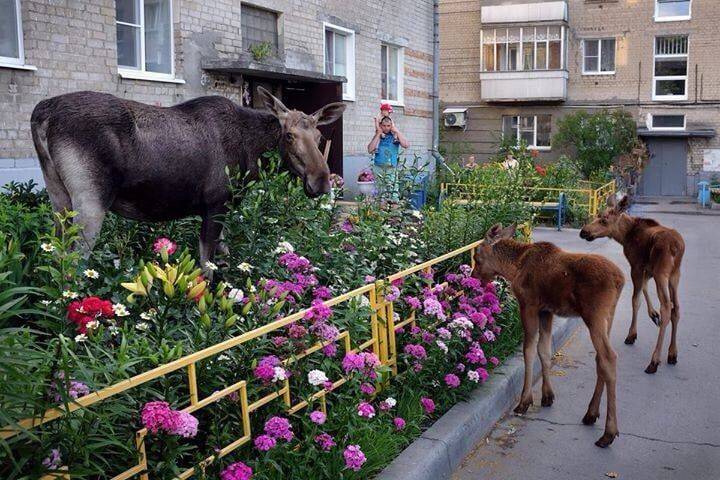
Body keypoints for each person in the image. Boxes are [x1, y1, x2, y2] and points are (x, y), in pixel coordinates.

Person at [367, 115, 410, 201]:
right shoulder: (379, 135)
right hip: (378, 168)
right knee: (380, 195)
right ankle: (381, 212)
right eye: (384, 126)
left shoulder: (394, 135)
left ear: (391, 126)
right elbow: (370, 149)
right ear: (381, 126)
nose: (386, 128)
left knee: (394, 194)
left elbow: (406, 145)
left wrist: (397, 131)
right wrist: (378, 133)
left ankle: (394, 213)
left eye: (388, 126)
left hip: (391, 168)